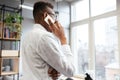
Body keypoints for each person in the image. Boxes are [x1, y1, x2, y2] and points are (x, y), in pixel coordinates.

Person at [21, 1, 75, 80]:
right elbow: (70, 71)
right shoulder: (44, 37)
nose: (55, 20)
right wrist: (63, 39)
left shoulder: (27, 36)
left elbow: (39, 64)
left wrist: (56, 69)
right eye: (54, 16)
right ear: (46, 16)